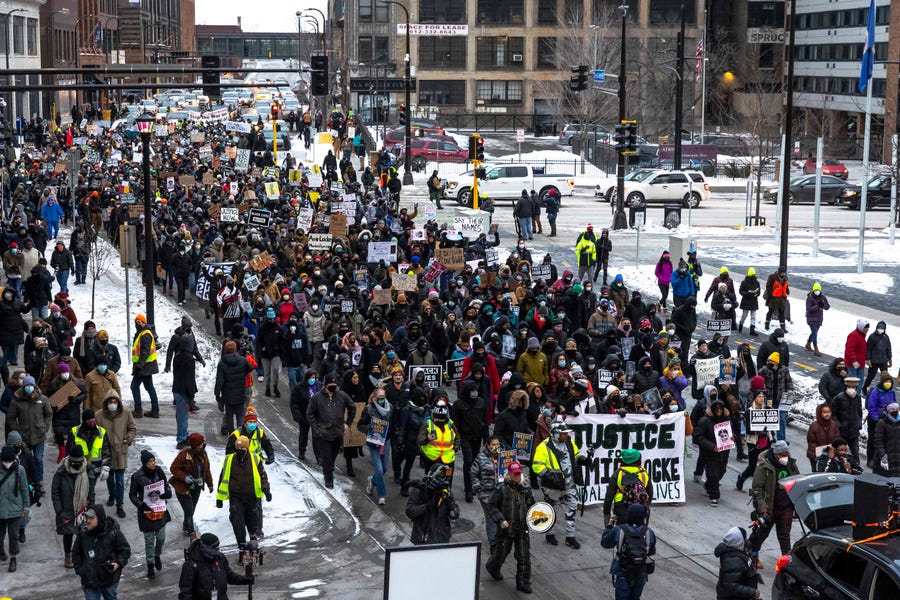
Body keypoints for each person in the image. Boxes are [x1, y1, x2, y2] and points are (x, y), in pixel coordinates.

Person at [532, 420, 587, 548]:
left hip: (569, 483)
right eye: (563, 433)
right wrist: (550, 477)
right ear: (555, 433)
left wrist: (584, 460)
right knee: (551, 510)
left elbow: (576, 454)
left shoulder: (569, 442)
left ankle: (570, 536)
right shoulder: (543, 446)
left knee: (571, 509)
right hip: (552, 487)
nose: (566, 436)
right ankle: (549, 533)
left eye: (566, 433)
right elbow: (537, 466)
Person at [485, 460, 535, 594]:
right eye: (514, 474)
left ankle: (523, 582)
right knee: (500, 554)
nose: (517, 476)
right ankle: (492, 567)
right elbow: (491, 505)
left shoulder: (526, 488)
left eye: (518, 473)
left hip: (522, 528)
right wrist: (500, 520)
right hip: (506, 529)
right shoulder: (501, 488)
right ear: (509, 474)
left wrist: (538, 519)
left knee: (524, 556)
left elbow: (533, 507)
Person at [748, 440, 798, 567]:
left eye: (787, 453)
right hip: (769, 508)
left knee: (784, 536)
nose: (785, 457)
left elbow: (798, 482)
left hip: (786, 508)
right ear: (776, 454)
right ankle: (752, 556)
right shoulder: (764, 467)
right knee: (761, 534)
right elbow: (756, 490)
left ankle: (787, 564)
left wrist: (797, 507)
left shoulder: (791, 465)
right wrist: (762, 508)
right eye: (783, 454)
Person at [215, 435, 271, 548]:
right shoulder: (229, 460)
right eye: (238, 448)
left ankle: (253, 536)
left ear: (247, 448)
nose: (240, 450)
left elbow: (262, 475)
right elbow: (223, 478)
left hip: (251, 496)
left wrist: (266, 489)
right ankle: (241, 544)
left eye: (242, 448)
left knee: (252, 519)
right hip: (236, 497)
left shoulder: (255, 459)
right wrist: (219, 498)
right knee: (237, 522)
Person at [71, 503, 132, 600]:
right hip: (89, 581)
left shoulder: (113, 532)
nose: (88, 521)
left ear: (100, 518)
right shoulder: (83, 534)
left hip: (109, 580)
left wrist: (117, 564)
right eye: (87, 518)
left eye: (92, 518)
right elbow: (76, 553)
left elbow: (125, 551)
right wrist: (80, 570)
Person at [307, 373, 356, 489]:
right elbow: (310, 414)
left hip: (338, 433)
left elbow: (352, 407)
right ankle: (328, 477)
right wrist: (316, 428)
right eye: (331, 383)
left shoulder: (342, 396)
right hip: (323, 434)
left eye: (335, 383)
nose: (333, 385)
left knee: (333, 457)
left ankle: (328, 468)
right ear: (326, 384)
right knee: (326, 457)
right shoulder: (317, 397)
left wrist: (347, 423)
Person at [128, 449, 172, 580]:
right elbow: (132, 494)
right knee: (149, 541)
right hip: (146, 512)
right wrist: (141, 505)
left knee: (161, 538)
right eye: (150, 461)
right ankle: (150, 565)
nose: (153, 463)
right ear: (144, 463)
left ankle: (157, 554)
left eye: (154, 460)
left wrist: (167, 493)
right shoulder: (137, 477)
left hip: (160, 510)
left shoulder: (159, 471)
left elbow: (166, 485)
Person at [600, 503, 656, 600]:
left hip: (622, 572)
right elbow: (651, 551)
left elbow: (605, 543)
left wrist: (609, 526)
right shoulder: (649, 532)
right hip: (640, 573)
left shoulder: (619, 530)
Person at [165, 316, 206, 448]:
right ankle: (181, 438)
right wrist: (191, 395)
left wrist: (200, 359)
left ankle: (183, 435)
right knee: (182, 414)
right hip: (183, 389)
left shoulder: (187, 342)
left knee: (182, 414)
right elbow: (189, 379)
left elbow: (194, 349)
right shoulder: (178, 339)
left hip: (179, 385)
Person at [52, 445, 96, 569]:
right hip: (66, 510)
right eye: (73, 462)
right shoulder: (61, 472)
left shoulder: (88, 471)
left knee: (83, 534)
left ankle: (81, 555)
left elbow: (91, 492)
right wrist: (59, 510)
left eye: (78, 462)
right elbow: (55, 491)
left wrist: (91, 509)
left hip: (83, 510)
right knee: (68, 535)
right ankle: (68, 555)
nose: (76, 464)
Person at [7, 374, 51, 493]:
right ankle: (29, 481)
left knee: (38, 459)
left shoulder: (42, 399)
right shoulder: (17, 401)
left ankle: (40, 482)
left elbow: (48, 414)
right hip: (24, 437)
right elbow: (10, 417)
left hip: (39, 435)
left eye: (31, 385)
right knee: (26, 460)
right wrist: (17, 430)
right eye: (27, 385)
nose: (29, 387)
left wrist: (45, 427)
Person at [95, 391, 135, 519]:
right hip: (107, 452)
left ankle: (120, 505)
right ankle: (112, 495)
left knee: (120, 481)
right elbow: (96, 433)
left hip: (120, 452)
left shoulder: (126, 414)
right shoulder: (99, 416)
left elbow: (132, 428)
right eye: (110, 402)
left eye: (115, 402)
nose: (112, 404)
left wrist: (128, 438)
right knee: (109, 478)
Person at [178, 532, 254, 600]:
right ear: (205, 548)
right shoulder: (191, 565)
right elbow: (185, 592)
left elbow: (229, 575)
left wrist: (244, 579)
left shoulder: (220, 558)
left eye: (218, 547)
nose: (218, 550)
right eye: (215, 547)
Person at [169, 432, 214, 541]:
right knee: (189, 512)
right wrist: (184, 477)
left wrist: (210, 483)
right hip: (184, 488)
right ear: (196, 445)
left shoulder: (203, 454)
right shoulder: (184, 455)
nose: (203, 445)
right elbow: (174, 468)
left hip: (197, 487)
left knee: (191, 510)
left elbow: (206, 470)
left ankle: (186, 526)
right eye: (201, 444)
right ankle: (191, 533)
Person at [405, 462, 459, 545]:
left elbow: (454, 515)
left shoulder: (446, 491)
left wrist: (450, 503)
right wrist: (426, 506)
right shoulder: (419, 490)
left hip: (442, 538)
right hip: (423, 538)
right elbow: (409, 511)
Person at [693, 395, 733, 507]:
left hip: (724, 452)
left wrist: (732, 437)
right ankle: (714, 496)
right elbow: (698, 437)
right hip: (710, 453)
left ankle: (708, 485)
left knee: (722, 471)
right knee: (713, 474)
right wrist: (711, 446)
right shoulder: (705, 421)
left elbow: (731, 432)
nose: (719, 411)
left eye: (721, 409)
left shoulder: (727, 420)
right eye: (717, 409)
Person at [357, 390, 394, 505]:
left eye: (383, 396)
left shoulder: (390, 408)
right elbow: (360, 425)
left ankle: (371, 480)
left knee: (384, 468)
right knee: (378, 469)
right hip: (374, 441)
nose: (381, 398)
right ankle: (382, 495)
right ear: (374, 397)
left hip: (386, 441)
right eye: (379, 397)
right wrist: (369, 427)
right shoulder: (368, 409)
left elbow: (393, 422)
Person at [215, 340, 254, 436]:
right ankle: (240, 434)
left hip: (227, 394)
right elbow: (250, 368)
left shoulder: (222, 363)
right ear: (236, 349)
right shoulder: (242, 360)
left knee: (229, 415)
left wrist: (217, 395)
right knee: (240, 415)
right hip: (240, 392)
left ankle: (232, 434)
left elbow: (219, 381)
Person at [603, 448, 651, 525]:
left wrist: (606, 514)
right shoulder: (644, 473)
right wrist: (645, 507)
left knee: (619, 533)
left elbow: (609, 497)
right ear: (638, 460)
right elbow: (650, 494)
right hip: (640, 509)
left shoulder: (618, 473)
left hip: (621, 508)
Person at [471, 436, 503, 551]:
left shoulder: (505, 457)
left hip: (502, 493)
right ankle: (493, 544)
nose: (496, 447)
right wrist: (478, 489)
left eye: (497, 444)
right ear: (488, 445)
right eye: (493, 444)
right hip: (486, 494)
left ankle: (500, 539)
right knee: (491, 519)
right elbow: (473, 474)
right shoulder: (480, 458)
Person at [0, 444, 29, 572]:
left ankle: (13, 559)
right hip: (1, 509)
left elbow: (24, 489)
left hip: (15, 509)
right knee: (0, 535)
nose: (7, 464)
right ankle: (1, 550)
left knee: (13, 536)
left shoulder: (20, 470)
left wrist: (26, 507)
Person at [715, 526, 760, 600]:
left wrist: (754, 534)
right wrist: (752, 593)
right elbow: (731, 586)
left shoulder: (734, 549)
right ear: (739, 542)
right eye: (744, 539)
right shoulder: (732, 560)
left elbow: (748, 544)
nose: (746, 541)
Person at [417, 399, 458, 477]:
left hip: (448, 459)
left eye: (442, 419)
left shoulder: (450, 424)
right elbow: (419, 441)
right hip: (431, 458)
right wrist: (427, 439)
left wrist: (455, 448)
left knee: (447, 481)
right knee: (429, 480)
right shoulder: (427, 423)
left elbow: (458, 437)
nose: (439, 421)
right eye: (438, 419)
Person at [130, 314, 159, 419]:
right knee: (149, 387)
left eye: (139, 322)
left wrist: (139, 365)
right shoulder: (142, 333)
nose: (137, 324)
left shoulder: (144, 334)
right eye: (136, 322)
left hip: (143, 367)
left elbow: (144, 352)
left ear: (144, 323)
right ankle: (155, 410)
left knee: (134, 386)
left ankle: (138, 410)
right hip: (147, 366)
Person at [829, 376, 862, 463]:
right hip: (842, 432)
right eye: (850, 387)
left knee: (855, 453)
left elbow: (859, 413)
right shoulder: (838, 398)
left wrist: (859, 424)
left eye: (854, 387)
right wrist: (839, 425)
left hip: (854, 432)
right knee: (841, 453)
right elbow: (833, 414)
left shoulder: (857, 398)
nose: (852, 389)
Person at [867, 371, 896, 468]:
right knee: (873, 440)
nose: (888, 383)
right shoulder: (876, 392)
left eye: (890, 381)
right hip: (875, 420)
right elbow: (871, 406)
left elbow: (894, 404)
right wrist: (875, 418)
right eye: (886, 381)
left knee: (885, 440)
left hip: (887, 420)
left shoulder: (891, 392)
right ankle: (870, 459)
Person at [806, 403, 841, 471]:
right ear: (820, 413)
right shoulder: (814, 426)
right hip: (817, 457)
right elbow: (812, 442)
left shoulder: (834, 425)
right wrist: (816, 457)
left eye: (829, 412)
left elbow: (837, 439)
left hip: (831, 455)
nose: (827, 414)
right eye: (824, 412)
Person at [864, 321, 893, 393]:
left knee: (885, 377)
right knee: (870, 376)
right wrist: (868, 359)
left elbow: (888, 348)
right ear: (877, 328)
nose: (881, 329)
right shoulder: (872, 336)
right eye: (879, 328)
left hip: (883, 361)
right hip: (874, 361)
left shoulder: (886, 337)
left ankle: (884, 389)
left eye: (882, 328)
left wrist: (890, 359)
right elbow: (868, 349)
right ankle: (865, 388)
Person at [804, 282, 829, 356]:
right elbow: (809, 309)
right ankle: (816, 348)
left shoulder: (823, 297)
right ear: (813, 290)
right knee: (815, 333)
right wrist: (818, 306)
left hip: (819, 319)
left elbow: (827, 307)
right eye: (816, 290)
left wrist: (823, 304)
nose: (817, 291)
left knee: (814, 333)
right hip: (811, 319)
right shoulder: (810, 298)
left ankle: (808, 343)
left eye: (818, 290)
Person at [763, 266, 789, 332]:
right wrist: (772, 294)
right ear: (779, 272)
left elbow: (786, 286)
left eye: (784, 273)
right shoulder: (772, 276)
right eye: (782, 273)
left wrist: (787, 292)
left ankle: (782, 327)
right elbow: (768, 286)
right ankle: (767, 324)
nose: (783, 274)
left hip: (782, 298)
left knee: (782, 312)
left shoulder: (785, 278)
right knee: (771, 311)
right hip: (773, 298)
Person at [737, 268, 760, 336]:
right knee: (744, 315)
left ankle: (752, 330)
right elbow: (741, 291)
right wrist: (747, 293)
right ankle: (741, 324)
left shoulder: (756, 282)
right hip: (747, 300)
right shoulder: (744, 282)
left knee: (753, 316)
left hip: (752, 300)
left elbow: (758, 292)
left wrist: (756, 294)